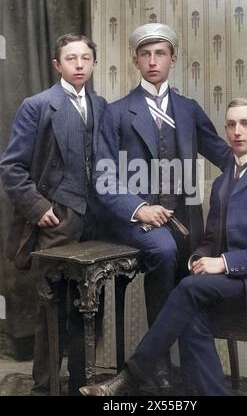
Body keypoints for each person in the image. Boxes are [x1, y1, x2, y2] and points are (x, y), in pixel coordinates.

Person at [80, 98, 247, 396]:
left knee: (187, 289)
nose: (237, 131)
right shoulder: (224, 182)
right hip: (236, 280)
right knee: (191, 315)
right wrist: (199, 257)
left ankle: (130, 376)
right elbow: (211, 240)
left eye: (246, 124)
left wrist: (223, 263)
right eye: (231, 124)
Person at [94, 23, 231, 388]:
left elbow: (220, 152)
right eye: (145, 54)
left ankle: (192, 371)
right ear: (135, 60)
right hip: (137, 218)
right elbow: (103, 176)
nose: (153, 61)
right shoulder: (118, 112)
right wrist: (139, 208)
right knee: (165, 250)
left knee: (195, 267)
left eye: (160, 54)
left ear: (173, 59)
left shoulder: (187, 108)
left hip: (185, 218)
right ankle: (156, 367)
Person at [0, 34, 107, 396]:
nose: (79, 64)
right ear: (57, 65)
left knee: (88, 305)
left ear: (93, 63)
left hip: (95, 219)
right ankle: (46, 387)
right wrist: (39, 207)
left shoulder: (101, 105)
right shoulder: (39, 105)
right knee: (53, 305)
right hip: (57, 218)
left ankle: (81, 384)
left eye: (86, 58)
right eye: (71, 58)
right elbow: (11, 168)